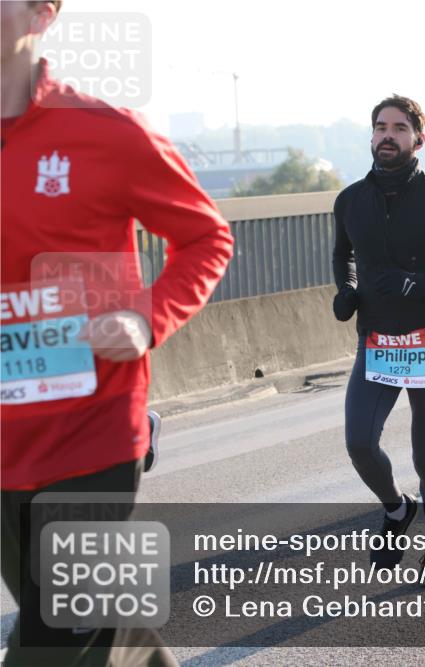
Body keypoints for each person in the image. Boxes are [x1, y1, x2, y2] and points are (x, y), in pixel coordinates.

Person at [1, 1, 234, 663]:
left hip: (93, 430)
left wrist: (145, 315)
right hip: (5, 440)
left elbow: (205, 237)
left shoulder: (107, 132)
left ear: (41, 14)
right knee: (100, 629)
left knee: (51, 642)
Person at [332, 94, 425, 586]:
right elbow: (344, 254)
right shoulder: (350, 199)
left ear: (418, 139)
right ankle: (397, 509)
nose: (388, 136)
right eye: (380, 127)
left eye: (399, 128)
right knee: (359, 442)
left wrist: (418, 284)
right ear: (371, 135)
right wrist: (348, 291)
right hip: (376, 341)